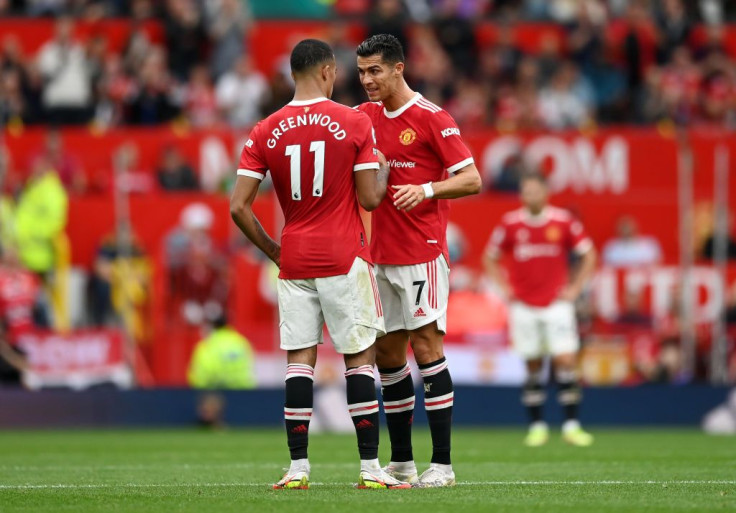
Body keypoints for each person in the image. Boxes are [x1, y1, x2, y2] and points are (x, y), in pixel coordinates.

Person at [230, 39, 407, 490]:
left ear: (294, 74)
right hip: (344, 256)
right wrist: (385, 172)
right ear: (329, 71)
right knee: (359, 359)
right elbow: (369, 197)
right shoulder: (352, 122)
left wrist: (273, 250)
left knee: (299, 362)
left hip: (295, 259)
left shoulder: (265, 129)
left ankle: (297, 469)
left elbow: (238, 208)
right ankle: (369, 469)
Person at [355, 34, 482, 487]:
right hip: (380, 256)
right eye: (362, 72)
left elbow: (472, 179)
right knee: (389, 356)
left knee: (426, 348)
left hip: (421, 254)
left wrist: (426, 189)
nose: (368, 80)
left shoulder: (432, 118)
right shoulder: (363, 117)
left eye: (375, 71)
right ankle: (403, 462)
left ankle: (443, 466)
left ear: (398, 69)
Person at [483, 173, 597, 447]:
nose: (529, 196)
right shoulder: (511, 224)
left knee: (566, 362)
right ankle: (537, 427)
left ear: (545, 193)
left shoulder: (563, 221)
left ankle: (571, 426)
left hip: (557, 304)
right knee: (533, 365)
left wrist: (575, 288)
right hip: (523, 305)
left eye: (534, 191)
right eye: (525, 191)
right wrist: (504, 288)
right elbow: (489, 256)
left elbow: (589, 253)